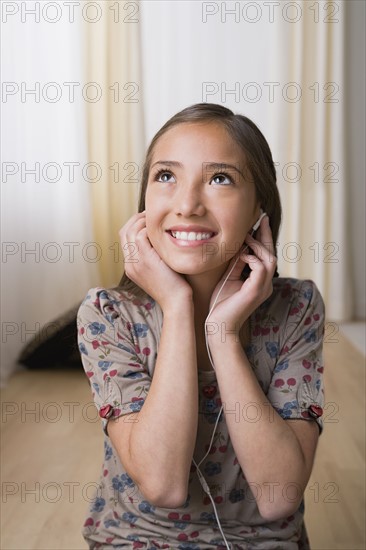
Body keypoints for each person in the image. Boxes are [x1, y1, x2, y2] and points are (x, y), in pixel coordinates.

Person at [77, 103, 325, 549]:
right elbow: (164, 486)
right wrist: (176, 306)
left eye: (219, 178)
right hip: (139, 539)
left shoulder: (297, 307)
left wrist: (223, 334)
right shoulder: (109, 315)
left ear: (259, 208)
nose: (187, 205)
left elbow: (278, 497)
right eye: (166, 176)